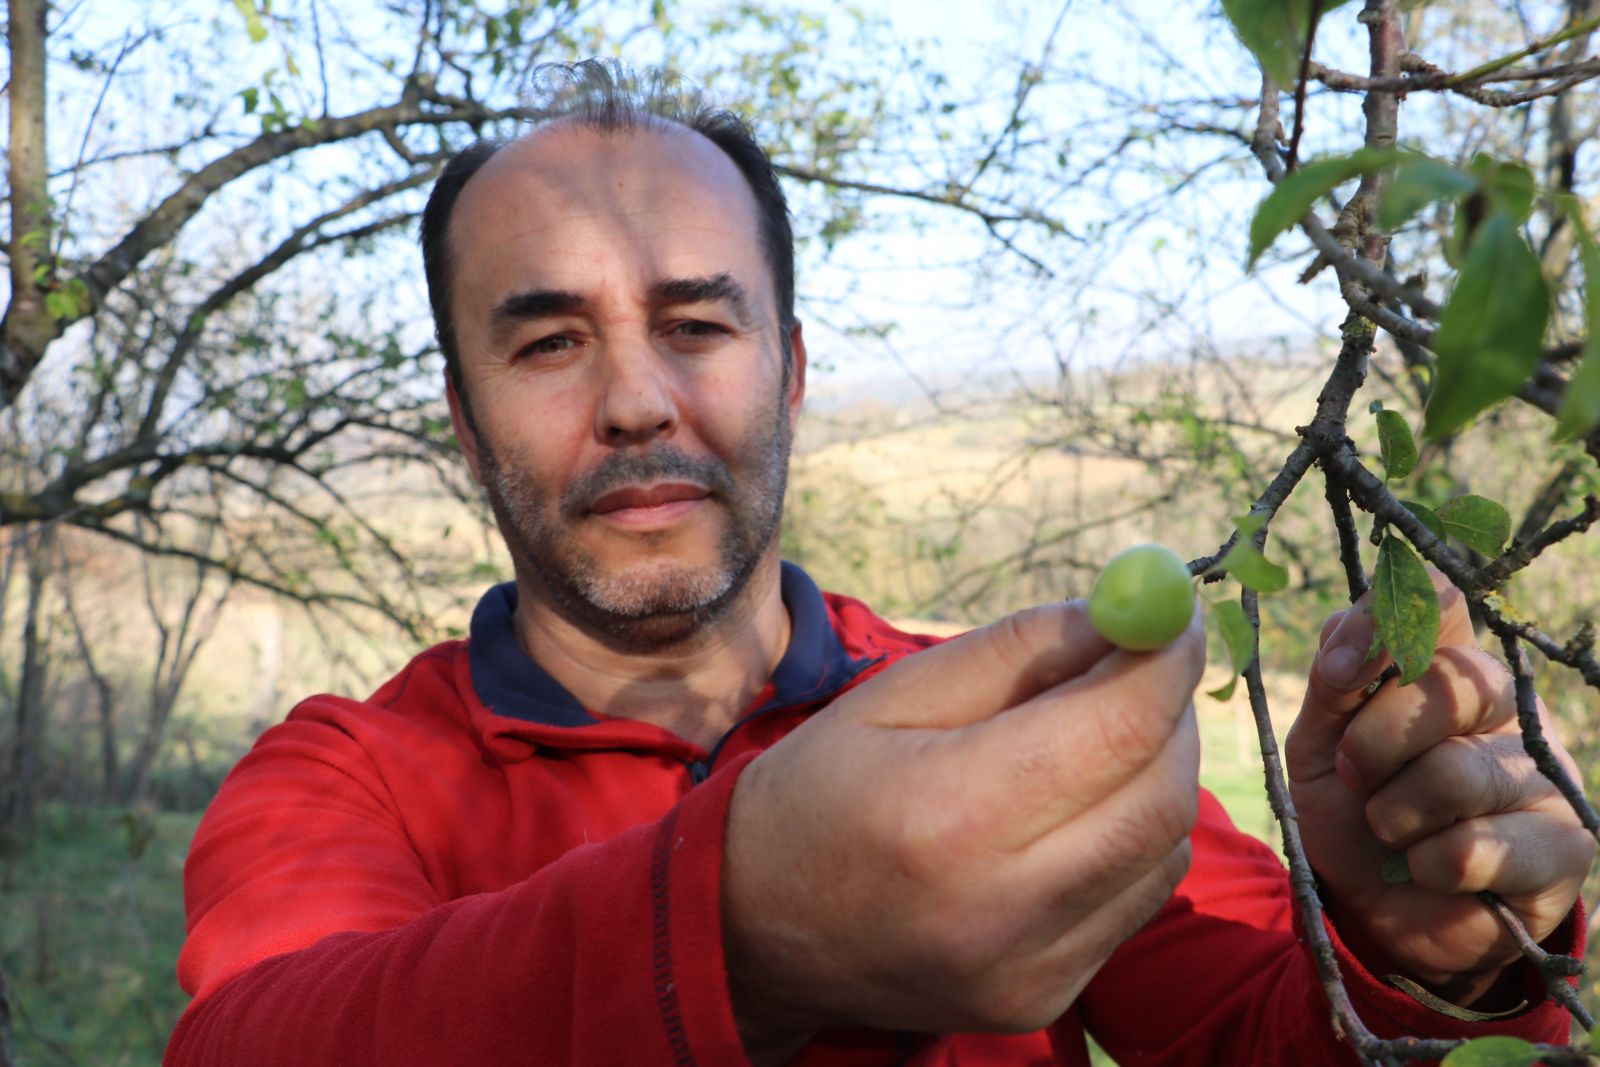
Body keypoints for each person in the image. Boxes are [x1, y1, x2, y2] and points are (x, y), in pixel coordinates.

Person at [164, 61, 1592, 1066]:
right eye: (548, 342)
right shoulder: (341, 777)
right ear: (467, 428)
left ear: (789, 375)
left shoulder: (998, 729)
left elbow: (1257, 1037)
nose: (638, 402)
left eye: (697, 325)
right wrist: (735, 936)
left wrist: (1410, 956)